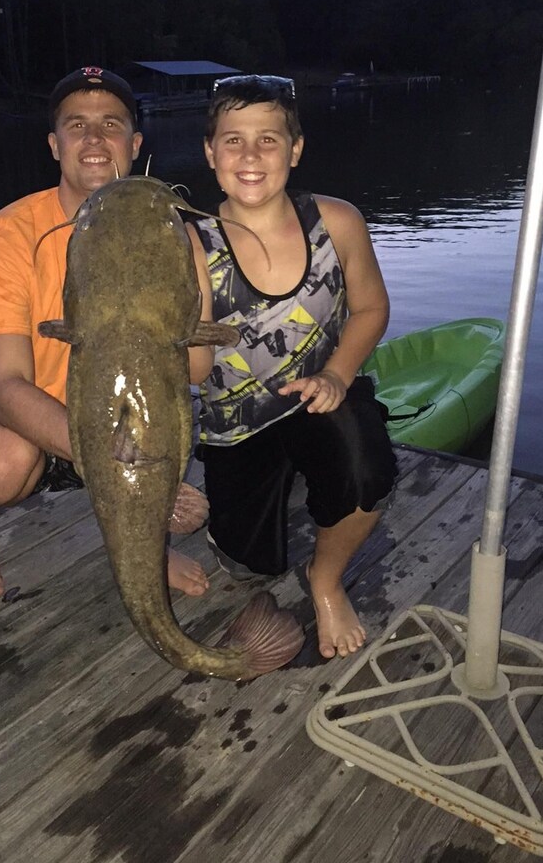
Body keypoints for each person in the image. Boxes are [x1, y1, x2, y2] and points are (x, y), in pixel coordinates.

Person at [0, 67, 214, 601]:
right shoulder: (4, 236)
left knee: (163, 419)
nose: (93, 139)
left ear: (132, 145)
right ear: (54, 144)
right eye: (76, 125)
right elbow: (9, 390)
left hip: (115, 415)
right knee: (1, 466)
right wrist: (126, 466)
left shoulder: (165, 233)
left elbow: (196, 371)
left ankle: (146, 545)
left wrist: (186, 249)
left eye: (110, 125)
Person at [189, 74, 398, 659]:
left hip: (320, 394)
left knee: (365, 472)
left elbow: (372, 307)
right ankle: (237, 518)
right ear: (210, 153)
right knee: (247, 564)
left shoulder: (337, 221)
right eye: (232, 140)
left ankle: (326, 580)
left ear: (295, 149)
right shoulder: (188, 244)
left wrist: (337, 373)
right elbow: (196, 371)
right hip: (235, 422)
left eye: (269, 140)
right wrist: (179, 316)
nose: (250, 156)